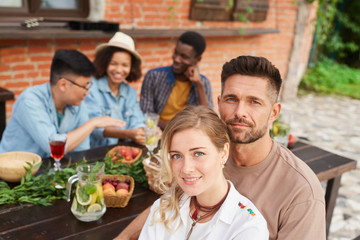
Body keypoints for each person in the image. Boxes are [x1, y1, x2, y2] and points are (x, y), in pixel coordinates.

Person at [114, 55, 326, 240]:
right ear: (219, 103)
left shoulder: (301, 190)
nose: (240, 111)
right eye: (231, 99)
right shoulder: (203, 156)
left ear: (274, 112)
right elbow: (167, 204)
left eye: (254, 102)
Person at [139, 105, 268, 239]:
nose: (186, 168)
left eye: (198, 153)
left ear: (223, 153)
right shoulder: (164, 207)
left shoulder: (248, 228)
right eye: (176, 156)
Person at [0, 49, 125, 158]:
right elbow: (53, 146)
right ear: (63, 85)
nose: (87, 92)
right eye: (84, 86)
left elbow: (81, 152)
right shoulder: (30, 101)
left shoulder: (78, 104)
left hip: (50, 174)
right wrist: (92, 123)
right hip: (14, 178)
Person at [140, 31, 213, 130]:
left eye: (184, 56)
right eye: (175, 53)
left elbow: (207, 119)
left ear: (197, 60)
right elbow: (146, 114)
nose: (177, 59)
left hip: (188, 136)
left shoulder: (203, 83)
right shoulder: (153, 76)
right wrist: (175, 129)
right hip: (157, 134)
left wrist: (198, 84)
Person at [84, 32, 146, 148]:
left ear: (131, 67)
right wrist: (129, 134)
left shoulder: (130, 92)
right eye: (113, 64)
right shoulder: (91, 88)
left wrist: (140, 132)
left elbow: (137, 120)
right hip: (95, 153)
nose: (118, 70)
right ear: (105, 63)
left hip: (124, 151)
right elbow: (96, 129)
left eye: (125, 65)